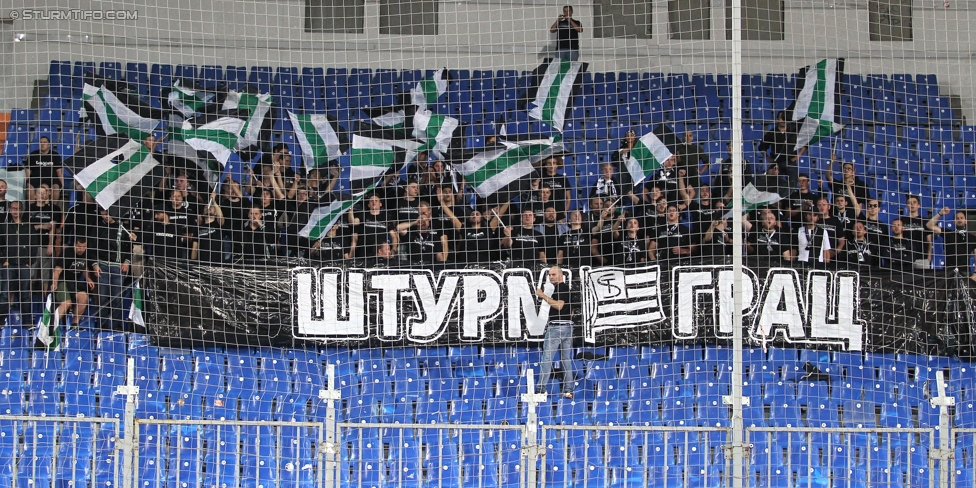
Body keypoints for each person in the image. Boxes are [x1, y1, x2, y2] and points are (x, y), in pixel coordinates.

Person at [535, 265, 579, 398]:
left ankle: (541, 389)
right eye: (549, 275)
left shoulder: (561, 288)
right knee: (565, 360)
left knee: (547, 359)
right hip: (568, 327)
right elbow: (571, 310)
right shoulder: (566, 290)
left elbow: (559, 306)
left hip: (556, 327)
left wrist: (542, 295)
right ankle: (568, 390)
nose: (551, 277)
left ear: (561, 275)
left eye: (553, 274)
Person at [91, 210, 135, 330]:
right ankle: (102, 326)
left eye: (107, 214)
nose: (105, 216)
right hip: (102, 266)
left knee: (117, 298)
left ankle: (117, 326)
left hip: (117, 267)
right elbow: (92, 246)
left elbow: (129, 247)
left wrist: (127, 262)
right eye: (103, 214)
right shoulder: (98, 227)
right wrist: (94, 264)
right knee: (103, 298)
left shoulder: (123, 227)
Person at [1, 201, 37, 313]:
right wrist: (3, 261)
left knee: (25, 295)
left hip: (23, 265)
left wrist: (29, 262)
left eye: (17, 208)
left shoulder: (28, 227)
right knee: (4, 294)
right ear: (10, 210)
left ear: (21, 210)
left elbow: (34, 246)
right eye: (13, 208)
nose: (15, 211)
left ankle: (27, 323)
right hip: (8, 264)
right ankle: (1, 322)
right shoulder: (4, 227)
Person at [50, 237, 95, 323]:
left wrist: (88, 279)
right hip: (62, 282)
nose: (81, 249)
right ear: (74, 245)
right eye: (79, 247)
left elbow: (84, 268)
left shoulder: (86, 254)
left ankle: (74, 325)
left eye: (84, 247)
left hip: (74, 282)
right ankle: (51, 325)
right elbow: (57, 270)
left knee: (83, 297)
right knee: (67, 303)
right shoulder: (67, 253)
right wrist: (54, 283)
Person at [927, 207, 976, 280]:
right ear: (953, 221)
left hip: (965, 272)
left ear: (966, 221)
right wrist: (940, 213)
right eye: (957, 218)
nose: (959, 220)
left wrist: (975, 274)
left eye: (961, 218)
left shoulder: (972, 238)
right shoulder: (948, 233)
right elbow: (929, 225)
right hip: (948, 272)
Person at [758, 111, 803, 185]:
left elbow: (807, 142)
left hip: (791, 161)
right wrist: (767, 158)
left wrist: (799, 155)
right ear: (777, 119)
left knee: (792, 184)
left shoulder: (794, 131)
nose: (783, 120)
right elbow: (762, 147)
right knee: (774, 184)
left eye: (785, 118)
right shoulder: (772, 133)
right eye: (781, 118)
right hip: (777, 162)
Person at [23, 136, 64, 202]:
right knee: (29, 186)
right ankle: (32, 208)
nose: (42, 144)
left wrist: (62, 185)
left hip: (51, 178)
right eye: (41, 142)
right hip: (36, 178)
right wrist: (26, 183)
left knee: (56, 187)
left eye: (44, 142)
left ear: (49, 145)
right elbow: (27, 172)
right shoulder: (33, 155)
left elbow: (59, 172)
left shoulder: (55, 155)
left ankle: (53, 208)